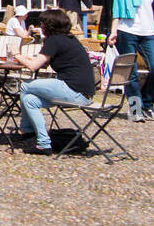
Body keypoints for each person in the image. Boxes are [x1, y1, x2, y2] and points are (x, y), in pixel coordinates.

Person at [13, 9, 96, 154]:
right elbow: (41, 61)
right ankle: (44, 143)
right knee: (30, 100)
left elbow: (33, 67)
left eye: (42, 23)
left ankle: (26, 130)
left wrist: (16, 54)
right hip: (82, 92)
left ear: (49, 25)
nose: (41, 26)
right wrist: (27, 58)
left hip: (73, 90)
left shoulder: (54, 40)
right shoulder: (68, 39)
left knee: (25, 86)